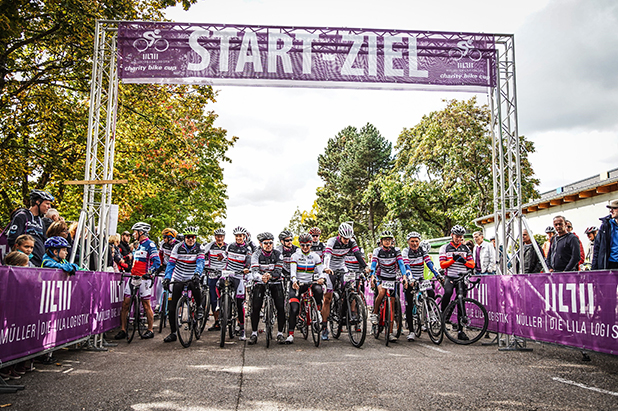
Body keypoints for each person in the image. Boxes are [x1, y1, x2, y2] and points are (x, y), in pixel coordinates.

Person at [321, 222, 368, 340]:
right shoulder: (332, 241)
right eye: (345, 238)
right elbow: (327, 255)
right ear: (339, 235)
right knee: (328, 298)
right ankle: (325, 326)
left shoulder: (351, 242)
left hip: (342, 267)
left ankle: (349, 310)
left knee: (350, 287)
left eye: (348, 238)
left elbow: (357, 254)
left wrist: (365, 266)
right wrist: (326, 267)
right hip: (330, 267)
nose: (347, 240)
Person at [114, 222, 160, 340]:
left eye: (135, 232)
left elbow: (157, 262)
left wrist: (149, 273)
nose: (133, 234)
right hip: (134, 277)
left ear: (141, 233)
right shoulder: (137, 245)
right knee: (125, 304)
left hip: (144, 279)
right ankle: (123, 330)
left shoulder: (150, 245)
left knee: (146, 304)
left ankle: (150, 330)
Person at [161, 226, 205, 343]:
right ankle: (173, 332)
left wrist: (197, 274)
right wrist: (167, 278)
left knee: (196, 287)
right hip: (179, 276)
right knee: (172, 307)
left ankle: (199, 307)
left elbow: (200, 263)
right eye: (188, 237)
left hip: (192, 275)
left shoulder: (200, 247)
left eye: (193, 237)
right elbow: (171, 264)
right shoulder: (177, 247)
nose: (191, 239)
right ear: (184, 238)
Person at [286, 233, 326, 344]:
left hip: (310, 282)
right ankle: (290, 334)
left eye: (307, 245)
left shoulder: (315, 256)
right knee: (294, 308)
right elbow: (292, 271)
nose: (305, 248)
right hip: (297, 283)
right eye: (303, 245)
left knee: (318, 289)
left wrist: (321, 278)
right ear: (299, 244)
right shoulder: (295, 256)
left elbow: (320, 270)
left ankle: (317, 310)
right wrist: (294, 280)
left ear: (311, 244)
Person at [368, 230, 407, 342]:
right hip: (381, 277)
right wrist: (372, 276)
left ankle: (389, 332)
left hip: (392, 278)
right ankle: (375, 313)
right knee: (381, 293)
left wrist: (404, 276)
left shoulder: (396, 250)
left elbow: (401, 263)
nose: (387, 242)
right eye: (385, 240)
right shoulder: (377, 251)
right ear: (381, 241)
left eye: (389, 240)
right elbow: (374, 264)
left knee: (392, 304)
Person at [248, 232, 286, 345]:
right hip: (260, 282)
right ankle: (254, 333)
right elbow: (254, 271)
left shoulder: (278, 254)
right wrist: (262, 277)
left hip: (275, 281)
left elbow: (279, 270)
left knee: (280, 307)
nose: (268, 245)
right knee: (255, 307)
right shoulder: (256, 254)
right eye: (266, 243)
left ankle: (279, 333)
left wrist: (270, 276)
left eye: (270, 243)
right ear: (260, 244)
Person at [402, 232, 440, 341]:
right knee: (409, 304)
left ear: (419, 241)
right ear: (408, 242)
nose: (414, 243)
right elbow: (406, 265)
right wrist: (410, 278)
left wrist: (437, 275)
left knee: (431, 292)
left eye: (416, 241)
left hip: (420, 278)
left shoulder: (422, 250)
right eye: (412, 241)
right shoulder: (405, 251)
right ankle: (411, 331)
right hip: (410, 278)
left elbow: (429, 263)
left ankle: (430, 313)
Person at [439, 225, 475, 341]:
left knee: (461, 303)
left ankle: (461, 330)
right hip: (450, 276)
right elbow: (442, 264)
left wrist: (464, 261)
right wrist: (453, 260)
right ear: (452, 235)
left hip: (462, 277)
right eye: (456, 236)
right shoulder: (445, 248)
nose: (458, 239)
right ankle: (443, 314)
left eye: (460, 237)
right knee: (448, 292)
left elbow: (472, 264)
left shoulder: (466, 249)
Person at [7, 189, 54, 267]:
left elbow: (43, 241)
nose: (49, 207)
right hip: (25, 263)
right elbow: (12, 239)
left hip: (39, 262)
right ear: (37, 202)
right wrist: (22, 259)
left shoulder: (41, 221)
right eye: (47, 204)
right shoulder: (22, 216)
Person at [220, 226, 252, 341]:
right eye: (237, 236)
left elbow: (248, 261)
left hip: (239, 275)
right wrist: (219, 259)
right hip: (229, 274)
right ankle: (222, 307)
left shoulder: (247, 248)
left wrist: (247, 268)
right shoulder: (230, 246)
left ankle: (242, 328)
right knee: (219, 285)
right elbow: (224, 256)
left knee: (239, 303)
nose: (238, 238)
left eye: (240, 236)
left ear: (244, 237)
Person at [202, 228, 227, 331]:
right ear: (215, 237)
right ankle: (216, 322)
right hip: (212, 273)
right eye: (217, 236)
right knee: (213, 298)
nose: (219, 238)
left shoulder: (227, 247)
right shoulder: (210, 245)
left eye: (221, 236)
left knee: (225, 297)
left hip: (223, 273)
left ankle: (226, 316)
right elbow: (202, 253)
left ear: (224, 237)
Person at [592, 200, 618, 270]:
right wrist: (594, 269)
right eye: (611, 209)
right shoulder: (605, 226)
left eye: (614, 208)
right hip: (609, 264)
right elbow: (597, 248)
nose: (611, 211)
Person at [156, 228, 178, 311]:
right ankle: (159, 303)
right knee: (160, 283)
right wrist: (160, 265)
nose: (163, 239)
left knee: (172, 285)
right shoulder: (163, 244)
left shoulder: (177, 245)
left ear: (170, 238)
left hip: (175, 267)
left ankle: (170, 303)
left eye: (165, 237)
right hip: (165, 265)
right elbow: (160, 254)